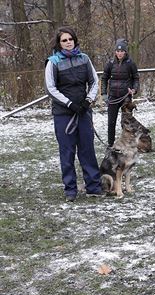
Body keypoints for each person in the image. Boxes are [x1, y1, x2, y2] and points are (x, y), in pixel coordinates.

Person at [45, 26, 103, 202]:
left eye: (70, 39)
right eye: (64, 40)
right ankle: (70, 189)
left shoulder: (84, 59)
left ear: (74, 40)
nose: (68, 42)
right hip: (64, 113)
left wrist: (87, 101)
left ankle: (93, 186)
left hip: (84, 111)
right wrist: (69, 104)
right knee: (67, 151)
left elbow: (94, 81)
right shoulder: (52, 62)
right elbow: (50, 88)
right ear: (59, 43)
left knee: (87, 149)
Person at [101, 38, 140, 147]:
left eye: (122, 51)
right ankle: (110, 144)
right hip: (113, 97)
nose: (119, 53)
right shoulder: (110, 63)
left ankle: (128, 143)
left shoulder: (130, 63)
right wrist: (104, 94)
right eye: (117, 51)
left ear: (125, 51)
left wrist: (134, 89)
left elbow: (136, 78)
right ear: (115, 52)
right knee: (111, 123)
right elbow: (104, 78)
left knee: (127, 123)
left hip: (125, 97)